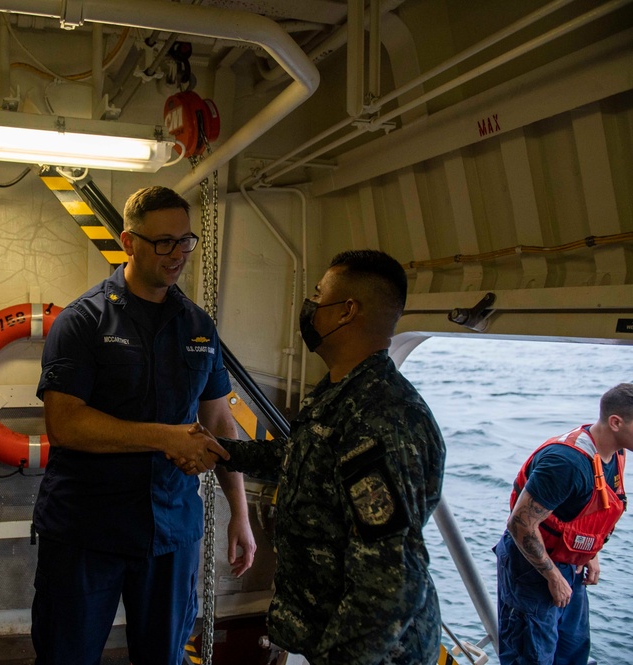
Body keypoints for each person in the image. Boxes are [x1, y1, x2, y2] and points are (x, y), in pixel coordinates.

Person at [31, 185, 256, 665]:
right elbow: (66, 424)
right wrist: (164, 436)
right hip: (86, 531)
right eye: (163, 243)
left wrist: (240, 512)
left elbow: (220, 422)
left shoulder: (198, 326)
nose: (178, 255)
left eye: (185, 241)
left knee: (164, 658)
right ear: (128, 241)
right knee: (65, 656)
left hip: (171, 532)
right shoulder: (83, 320)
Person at [206, 249, 446, 664]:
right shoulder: (342, 392)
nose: (310, 306)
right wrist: (220, 451)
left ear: (346, 311)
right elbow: (299, 456)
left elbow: (388, 583)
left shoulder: (381, 419)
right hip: (331, 635)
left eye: (319, 295)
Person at [495, 383, 631, 664]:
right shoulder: (565, 463)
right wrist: (552, 576)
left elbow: (592, 507)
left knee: (572, 651)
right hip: (532, 568)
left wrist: (590, 554)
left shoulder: (616, 453)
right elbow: (520, 524)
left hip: (570, 562)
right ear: (616, 422)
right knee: (532, 655)